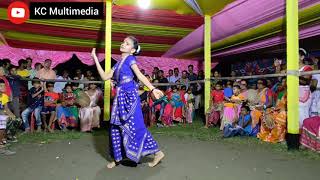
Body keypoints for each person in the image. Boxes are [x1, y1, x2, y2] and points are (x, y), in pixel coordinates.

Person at [92, 36, 165, 169]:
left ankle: (158, 153)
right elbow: (104, 77)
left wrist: (152, 88)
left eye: (127, 43)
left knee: (136, 127)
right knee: (114, 127)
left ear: (132, 50)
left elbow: (140, 75)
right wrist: (96, 59)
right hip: (120, 98)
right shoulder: (118, 63)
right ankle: (117, 158)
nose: (123, 44)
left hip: (130, 98)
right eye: (123, 42)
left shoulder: (131, 59)